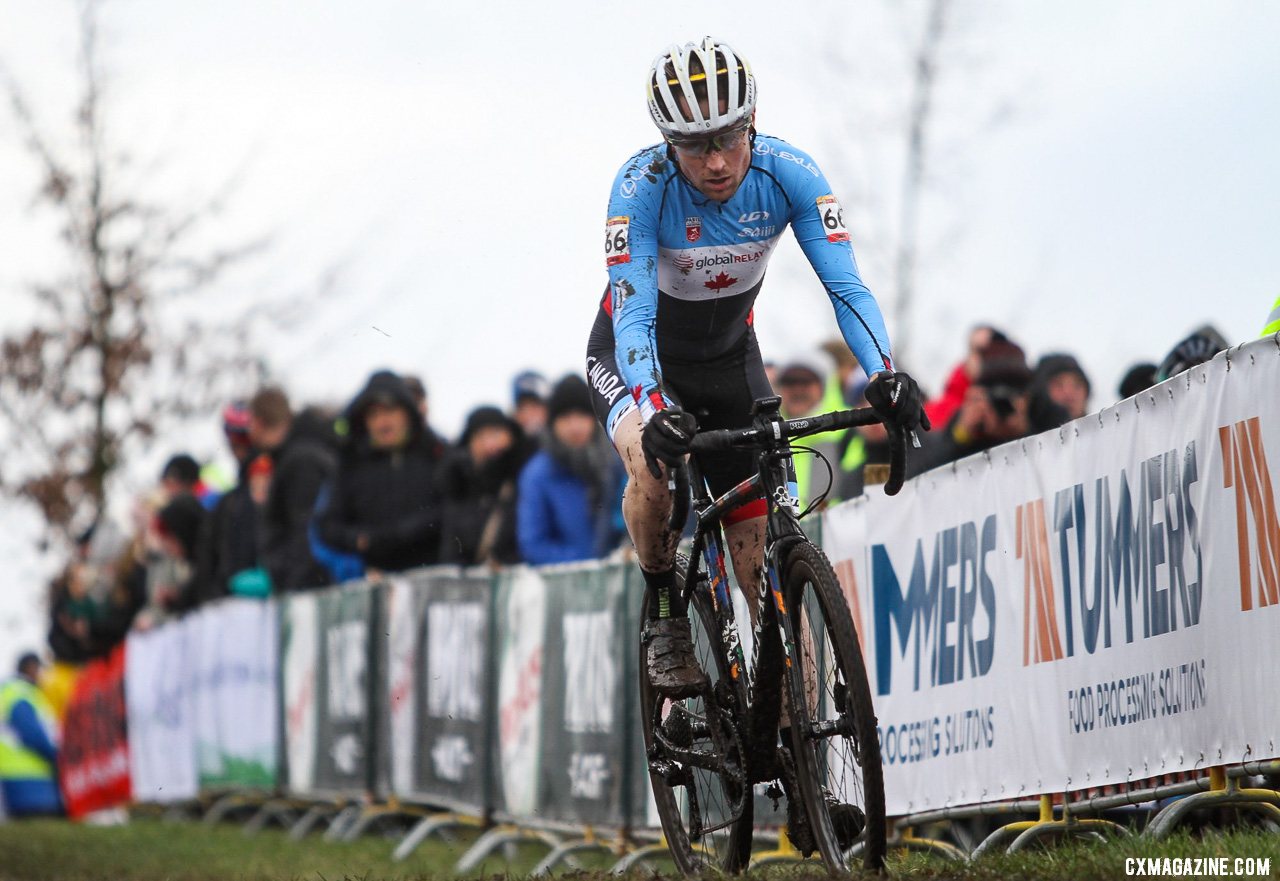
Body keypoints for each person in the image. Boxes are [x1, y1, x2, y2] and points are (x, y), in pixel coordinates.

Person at [584, 38, 928, 698]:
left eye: (728, 138)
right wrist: (653, 408)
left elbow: (846, 288)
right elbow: (630, 314)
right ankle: (663, 611)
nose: (716, 161)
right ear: (667, 144)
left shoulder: (790, 173)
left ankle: (811, 764)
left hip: (727, 364)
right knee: (651, 473)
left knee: (762, 561)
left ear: (752, 122)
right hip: (634, 361)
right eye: (694, 145)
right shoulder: (640, 188)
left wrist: (884, 372)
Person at [317, 370, 447, 574]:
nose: (383, 423)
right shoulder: (350, 465)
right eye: (374, 415)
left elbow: (451, 511)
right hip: (373, 581)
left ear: (407, 413)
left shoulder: (437, 455)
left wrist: (406, 532)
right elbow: (327, 526)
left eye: (390, 412)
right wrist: (358, 539)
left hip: (432, 575)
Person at [517, 374, 626, 564]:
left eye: (582, 415)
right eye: (566, 417)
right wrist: (591, 564)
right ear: (553, 423)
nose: (575, 426)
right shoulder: (537, 474)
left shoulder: (615, 462)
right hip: (565, 586)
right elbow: (534, 544)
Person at [249, 387, 337, 592]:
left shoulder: (301, 462)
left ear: (259, 422)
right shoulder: (291, 457)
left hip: (308, 588)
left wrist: (296, 585)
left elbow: (304, 529)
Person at [437, 406, 526, 566]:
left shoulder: (524, 481)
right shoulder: (458, 489)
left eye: (495, 433)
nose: (489, 444)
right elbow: (450, 550)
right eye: (480, 436)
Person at [0, 653, 62, 817]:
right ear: (31, 668)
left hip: (16, 777)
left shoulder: (10, 691)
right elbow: (33, 734)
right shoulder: (21, 692)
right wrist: (60, 758)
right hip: (30, 779)